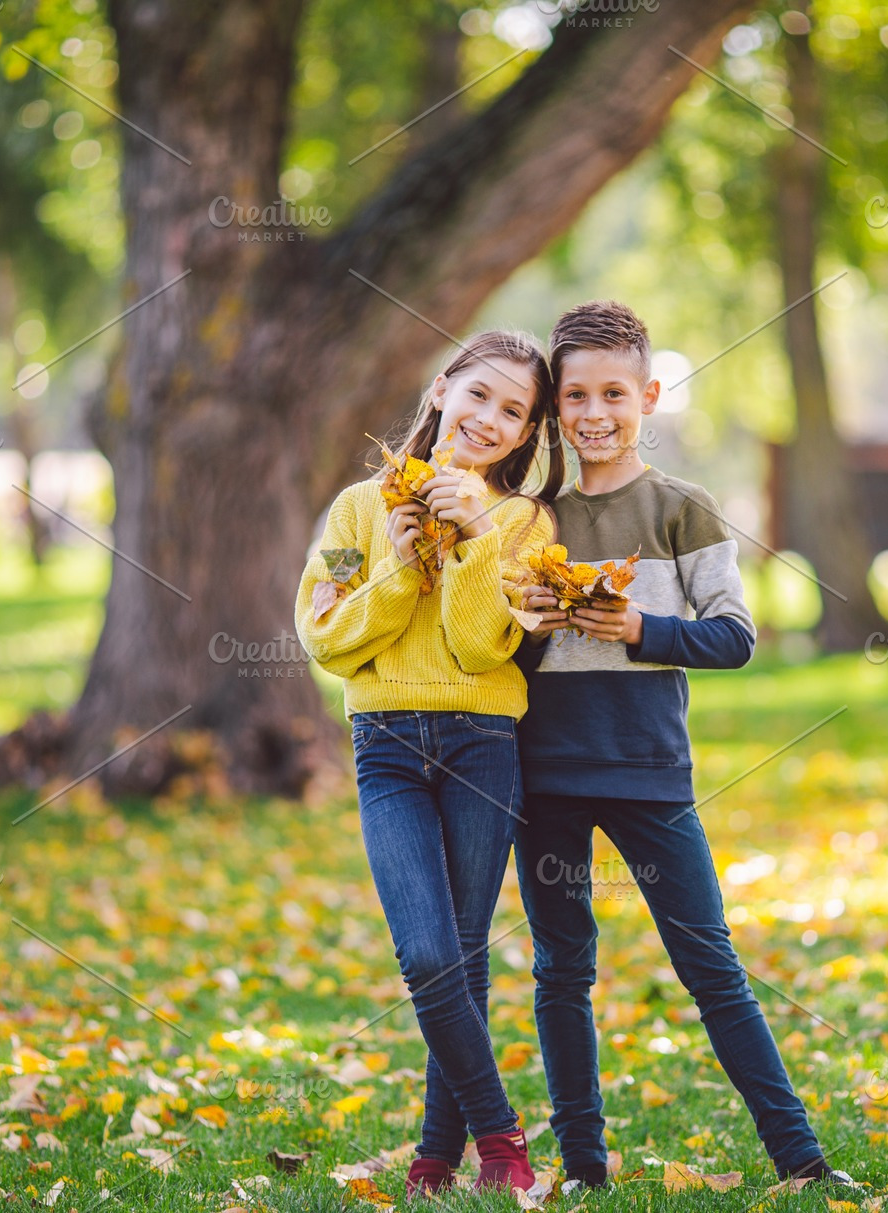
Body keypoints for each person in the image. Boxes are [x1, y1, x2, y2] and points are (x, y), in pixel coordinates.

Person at [512, 302, 855, 1192]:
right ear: (555, 408)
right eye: (576, 394)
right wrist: (530, 627)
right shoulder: (528, 520)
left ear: (649, 396)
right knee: (562, 971)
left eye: (614, 392)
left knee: (712, 965)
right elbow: (498, 650)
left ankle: (801, 1159)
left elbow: (735, 635)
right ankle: (584, 1167)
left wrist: (641, 627)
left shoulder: (683, 510)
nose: (595, 412)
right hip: (543, 775)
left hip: (649, 775)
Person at [294, 331, 563, 1195]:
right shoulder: (355, 510)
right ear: (443, 388)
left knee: (464, 951)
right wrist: (404, 567)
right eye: (479, 395)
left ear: (525, 436)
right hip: (388, 751)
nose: (490, 419)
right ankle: (502, 1133)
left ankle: (434, 1154)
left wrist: (476, 534)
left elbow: (483, 647)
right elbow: (326, 632)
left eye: (514, 412)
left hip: (484, 746)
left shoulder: (524, 523)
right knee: (426, 952)